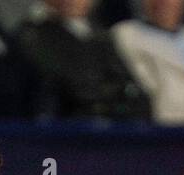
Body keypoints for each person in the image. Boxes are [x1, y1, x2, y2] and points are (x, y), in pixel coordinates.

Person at [19, 0, 153, 120]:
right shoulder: (34, 35)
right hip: (71, 129)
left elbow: (129, 86)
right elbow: (63, 88)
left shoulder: (101, 35)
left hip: (115, 128)